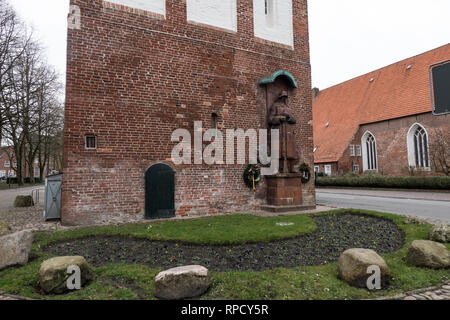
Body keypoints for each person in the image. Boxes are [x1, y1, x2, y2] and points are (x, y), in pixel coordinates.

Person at [267, 91, 300, 173]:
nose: (284, 99)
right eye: (283, 97)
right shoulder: (275, 106)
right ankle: (277, 168)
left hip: (288, 132)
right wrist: (278, 119)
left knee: (290, 150)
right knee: (277, 150)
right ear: (280, 97)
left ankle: (291, 167)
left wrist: (289, 117)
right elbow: (270, 119)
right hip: (278, 130)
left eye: (285, 97)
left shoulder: (288, 107)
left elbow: (294, 120)